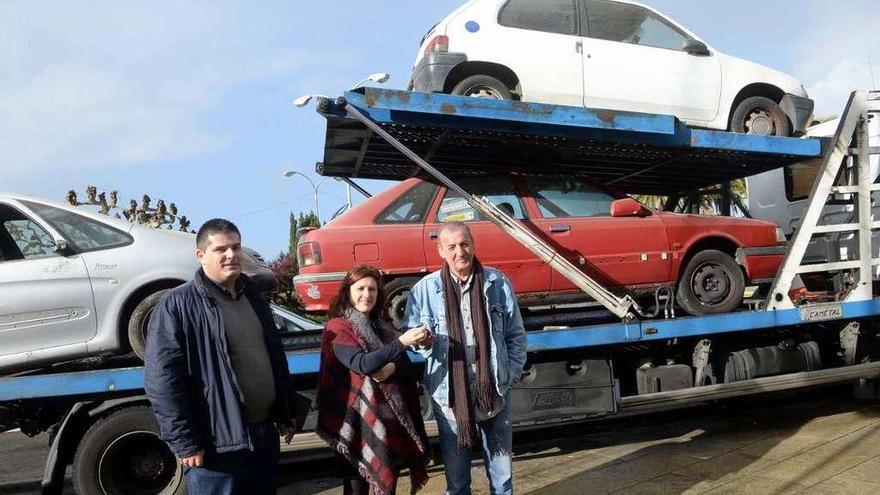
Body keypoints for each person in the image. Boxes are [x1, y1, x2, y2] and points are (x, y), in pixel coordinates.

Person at [145, 218, 295, 495]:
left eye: (236, 247)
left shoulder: (253, 296)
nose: (231, 255)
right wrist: (185, 442)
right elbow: (162, 380)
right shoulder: (177, 305)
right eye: (221, 249)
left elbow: (274, 357)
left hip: (263, 436)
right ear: (200, 256)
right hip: (216, 446)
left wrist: (285, 412)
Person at [403, 222, 527, 495]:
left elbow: (516, 336)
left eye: (465, 244)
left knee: (502, 478)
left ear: (473, 244)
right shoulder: (424, 290)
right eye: (452, 247)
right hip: (450, 397)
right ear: (441, 252)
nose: (460, 251)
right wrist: (422, 343)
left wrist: (511, 374)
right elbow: (408, 338)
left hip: (494, 390)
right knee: (457, 482)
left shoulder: (497, 283)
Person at [316, 265, 433, 495]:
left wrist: (390, 366)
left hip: (388, 423)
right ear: (347, 291)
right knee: (356, 491)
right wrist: (402, 343)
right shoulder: (338, 326)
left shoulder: (384, 327)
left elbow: (405, 368)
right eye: (360, 288)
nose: (366, 295)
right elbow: (362, 364)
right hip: (354, 424)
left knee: (388, 488)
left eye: (372, 289)